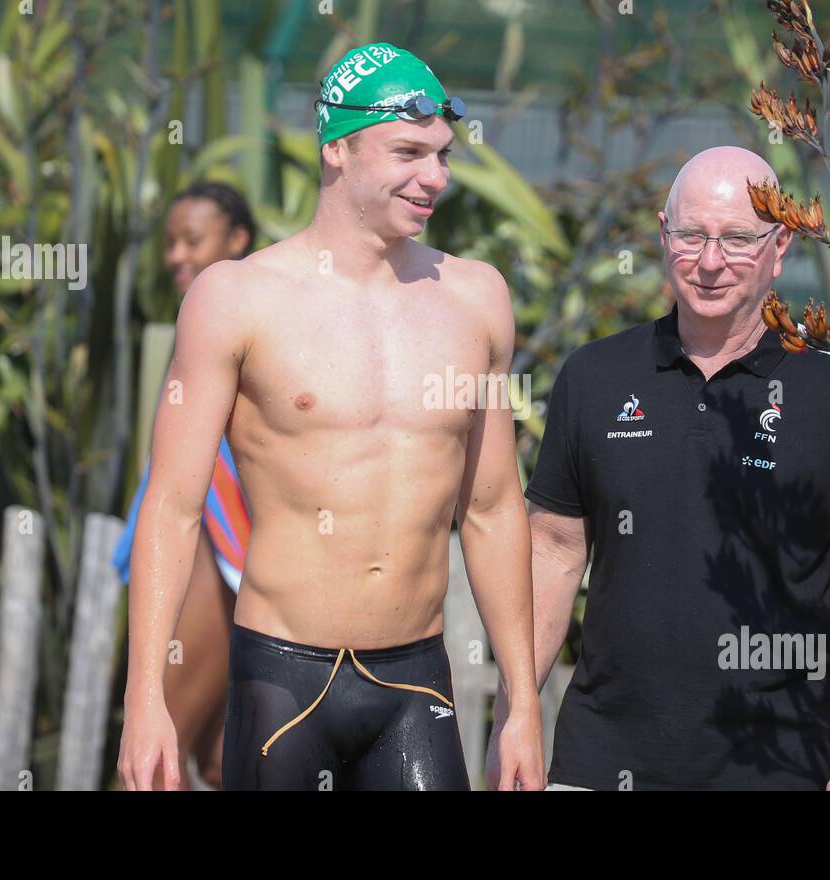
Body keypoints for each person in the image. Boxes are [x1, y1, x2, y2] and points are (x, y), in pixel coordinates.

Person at [117, 42, 544, 792]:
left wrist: (522, 704)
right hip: (281, 676)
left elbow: (492, 507)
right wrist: (145, 697)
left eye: (442, 154)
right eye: (408, 152)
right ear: (337, 147)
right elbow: (173, 504)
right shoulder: (237, 298)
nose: (435, 177)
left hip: (417, 679)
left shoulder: (476, 299)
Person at [489, 146, 830, 790]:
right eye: (691, 236)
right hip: (601, 765)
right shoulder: (594, 377)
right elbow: (550, 555)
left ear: (781, 246)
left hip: (779, 772)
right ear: (664, 236)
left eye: (738, 239)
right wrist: (514, 716)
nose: (710, 262)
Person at [112, 181, 257, 790]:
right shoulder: (199, 317)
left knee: (152, 769)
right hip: (201, 544)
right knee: (218, 764)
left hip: (220, 551)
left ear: (238, 240)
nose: (176, 255)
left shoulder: (257, 312)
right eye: (170, 243)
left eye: (192, 240)